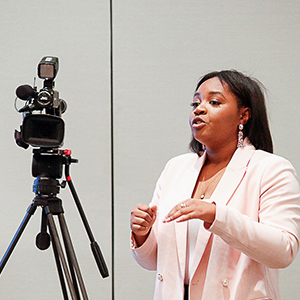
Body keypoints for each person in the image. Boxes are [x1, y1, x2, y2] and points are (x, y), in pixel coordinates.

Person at [130, 70, 300, 300]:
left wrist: (217, 216)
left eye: (214, 102)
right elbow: (153, 262)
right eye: (196, 102)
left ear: (244, 116)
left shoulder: (271, 169)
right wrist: (143, 233)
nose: (199, 109)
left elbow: (283, 252)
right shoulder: (176, 168)